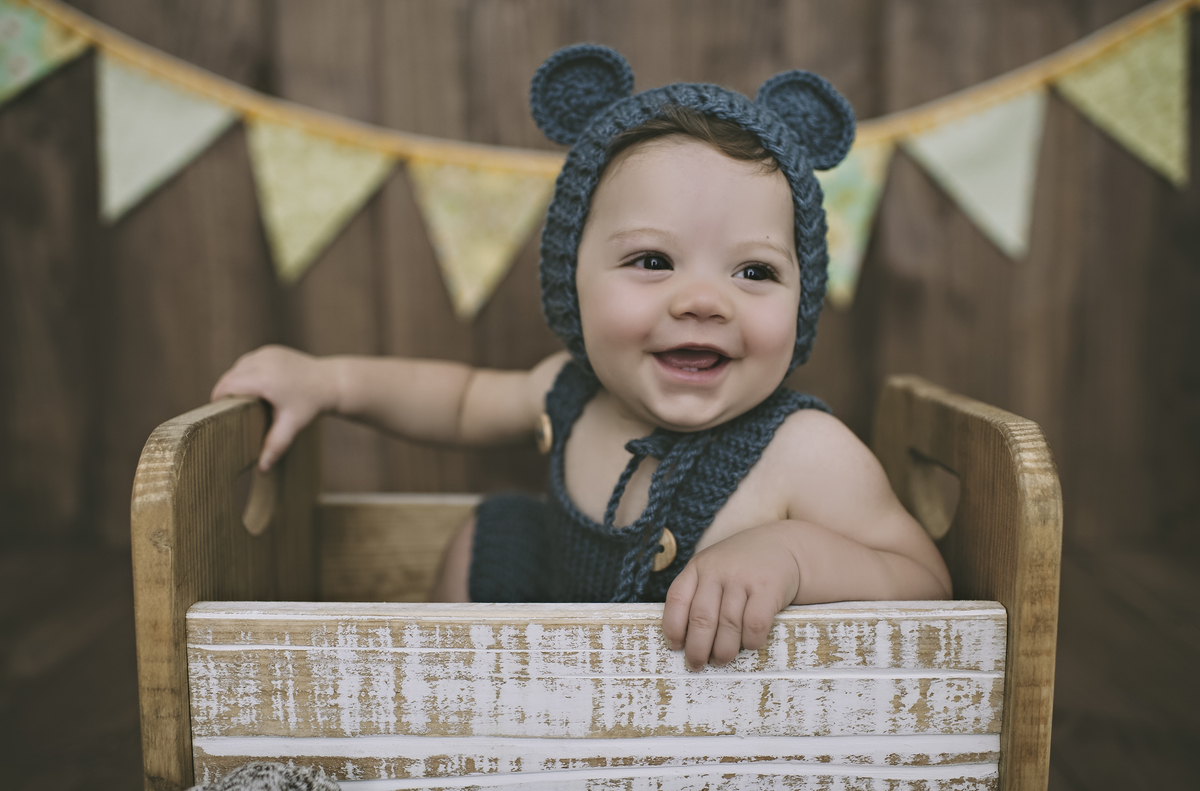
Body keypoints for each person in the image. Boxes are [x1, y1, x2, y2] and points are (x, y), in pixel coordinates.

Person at [212, 44, 951, 672]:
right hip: (540, 694)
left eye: (754, 272)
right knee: (494, 533)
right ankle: (449, 715)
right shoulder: (568, 395)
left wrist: (792, 556)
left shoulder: (806, 453)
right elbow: (459, 399)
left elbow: (927, 583)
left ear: (802, 297)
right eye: (653, 260)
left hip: (718, 735)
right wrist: (329, 381)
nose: (704, 300)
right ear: (574, 278)